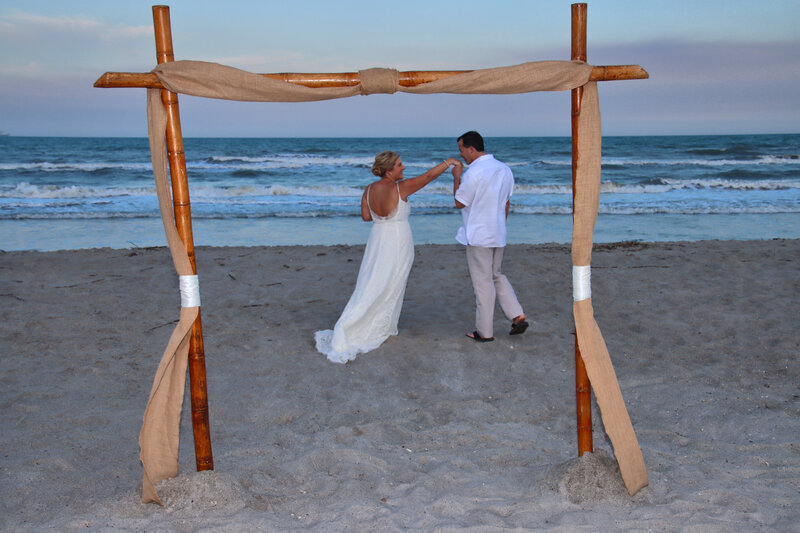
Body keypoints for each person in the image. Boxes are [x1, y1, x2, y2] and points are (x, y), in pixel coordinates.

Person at [315, 151, 461, 363]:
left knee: (371, 281)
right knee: (391, 283)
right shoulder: (401, 188)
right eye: (400, 165)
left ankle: (367, 321)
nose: (404, 168)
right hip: (398, 240)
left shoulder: (369, 189)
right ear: (389, 169)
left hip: (377, 239)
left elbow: (366, 217)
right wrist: (449, 163)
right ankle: (381, 326)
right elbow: (428, 177)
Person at [451, 131, 528, 342]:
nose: (461, 155)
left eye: (461, 150)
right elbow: (506, 202)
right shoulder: (504, 169)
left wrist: (456, 177)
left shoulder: (473, 173)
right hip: (497, 231)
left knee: (483, 283)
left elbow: (460, 202)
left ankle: (484, 332)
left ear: (471, 149)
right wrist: (500, 225)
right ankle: (517, 314)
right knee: (496, 275)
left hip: (478, 235)